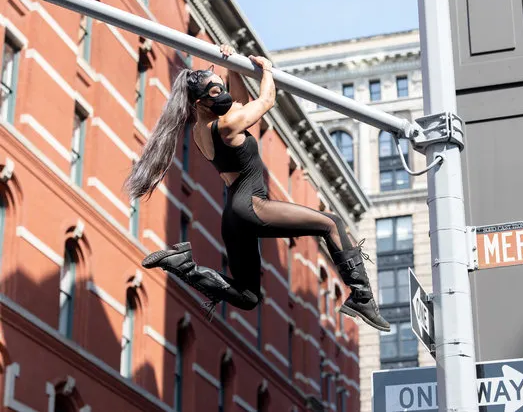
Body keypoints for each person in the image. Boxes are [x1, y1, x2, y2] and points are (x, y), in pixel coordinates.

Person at [124, 44, 390, 332]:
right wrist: (266, 70)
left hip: (234, 217)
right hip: (251, 206)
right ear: (200, 102)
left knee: (248, 296)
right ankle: (362, 296)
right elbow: (266, 100)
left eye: (219, 85)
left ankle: (183, 265)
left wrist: (232, 68)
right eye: (214, 91)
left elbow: (238, 99)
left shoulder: (203, 130)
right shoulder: (228, 124)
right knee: (332, 224)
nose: (221, 92)